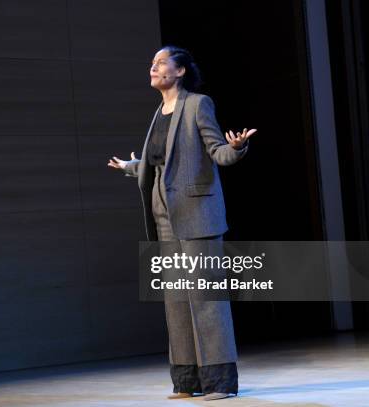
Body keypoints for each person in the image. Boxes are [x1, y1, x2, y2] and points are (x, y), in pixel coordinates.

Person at [107, 45, 257, 401]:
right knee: (176, 300)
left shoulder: (197, 104)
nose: (153, 68)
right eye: (152, 64)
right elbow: (162, 164)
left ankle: (220, 382)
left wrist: (236, 148)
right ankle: (187, 381)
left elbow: (217, 151)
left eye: (161, 63)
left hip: (197, 214)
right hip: (163, 214)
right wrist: (133, 167)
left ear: (181, 71)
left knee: (206, 300)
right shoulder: (159, 111)